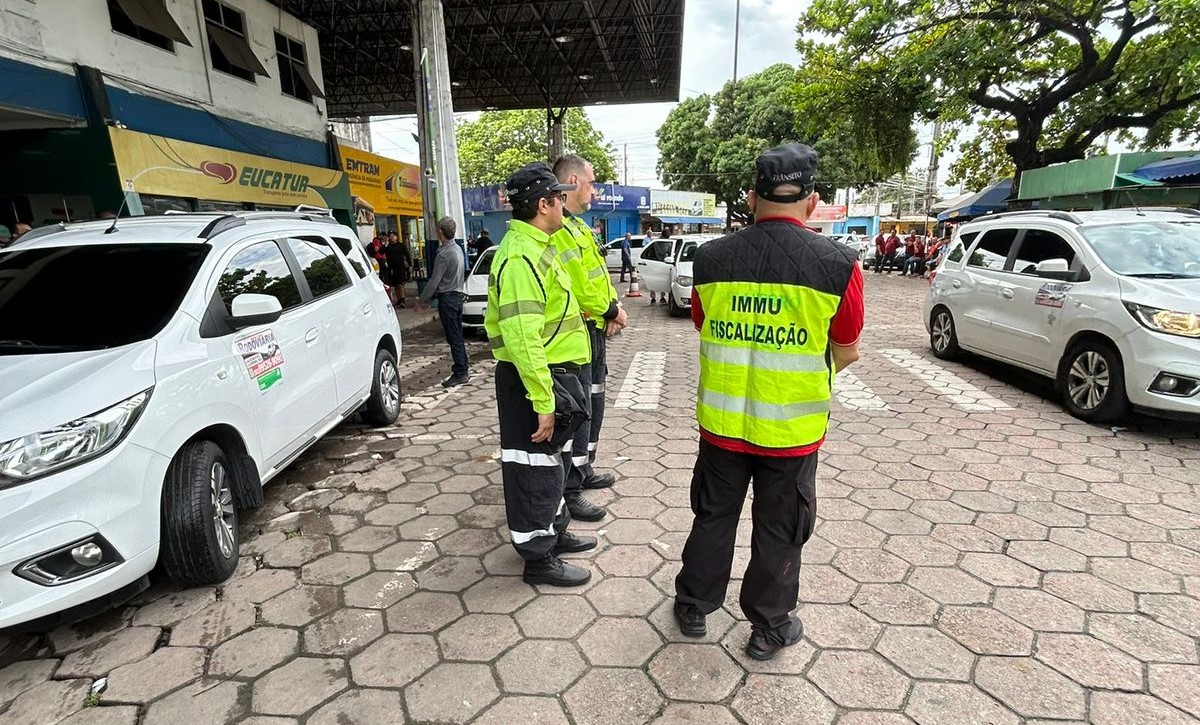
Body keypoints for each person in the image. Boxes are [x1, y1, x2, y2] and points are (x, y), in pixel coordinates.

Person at [674, 143, 864, 661]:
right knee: (780, 528)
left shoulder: (710, 259)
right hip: (791, 433)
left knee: (713, 515)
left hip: (721, 424)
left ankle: (693, 604)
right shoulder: (840, 264)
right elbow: (846, 351)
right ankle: (769, 626)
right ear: (813, 200)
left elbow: (702, 326)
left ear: (752, 197)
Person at [485, 162, 597, 587]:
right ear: (544, 204)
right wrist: (543, 400)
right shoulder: (519, 258)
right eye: (558, 198)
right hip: (533, 380)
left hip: (551, 375)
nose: (564, 205)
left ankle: (554, 531)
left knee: (551, 464)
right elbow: (521, 338)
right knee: (532, 469)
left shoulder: (539, 247)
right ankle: (537, 559)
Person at [551, 154, 628, 522]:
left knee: (595, 404)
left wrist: (611, 306)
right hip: (579, 332)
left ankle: (584, 469)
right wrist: (611, 311)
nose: (594, 190)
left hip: (594, 329)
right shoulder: (560, 230)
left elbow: (598, 276)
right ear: (571, 181)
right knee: (578, 411)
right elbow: (580, 285)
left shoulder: (580, 227)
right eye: (591, 182)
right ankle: (570, 488)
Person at [416, 216, 469, 387]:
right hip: (458, 296)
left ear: (440, 232)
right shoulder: (458, 249)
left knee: (453, 337)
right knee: (457, 336)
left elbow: (434, 280)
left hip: (448, 299)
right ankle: (463, 368)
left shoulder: (444, 253)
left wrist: (423, 300)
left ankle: (460, 371)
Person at [384, 232, 413, 307]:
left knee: (400, 283)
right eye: (390, 236)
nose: (392, 237)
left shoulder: (400, 245)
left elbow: (407, 255)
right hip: (391, 268)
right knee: (395, 284)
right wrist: (385, 245)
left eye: (394, 236)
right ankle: (399, 299)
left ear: (396, 237)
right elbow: (380, 252)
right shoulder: (388, 247)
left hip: (400, 267)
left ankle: (403, 299)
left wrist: (410, 265)